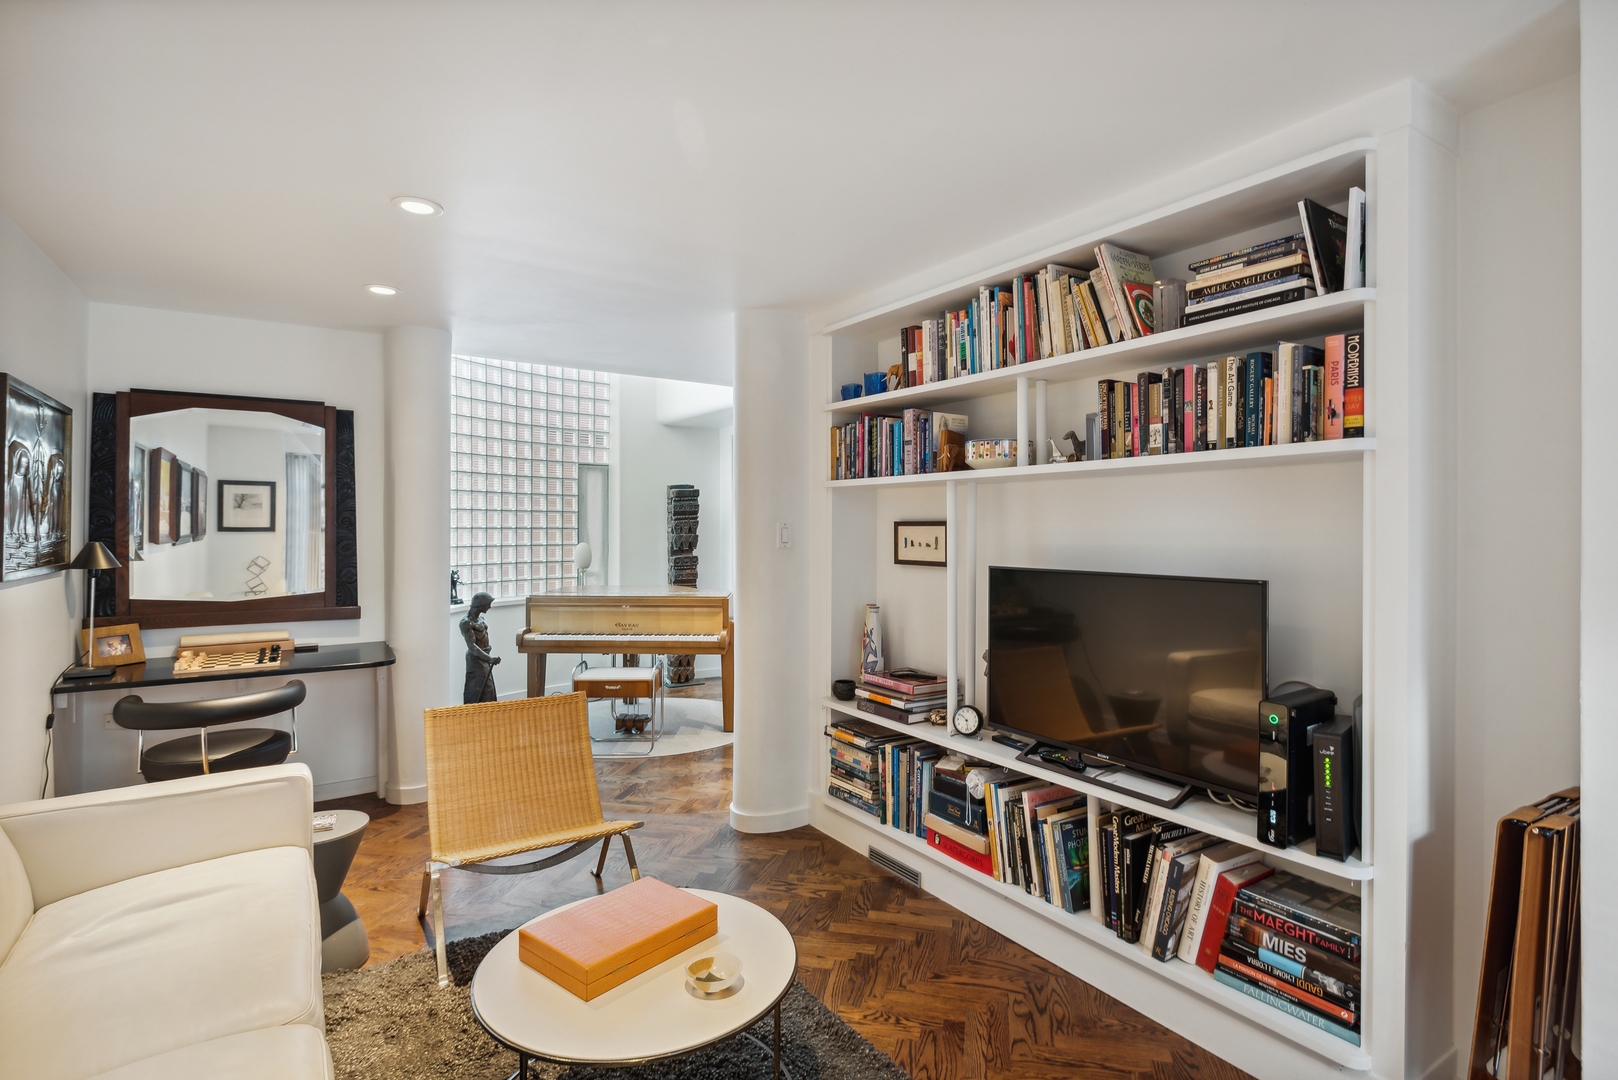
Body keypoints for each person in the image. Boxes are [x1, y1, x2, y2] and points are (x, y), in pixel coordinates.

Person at [461, 591, 500, 703]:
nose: (489, 607)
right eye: (488, 604)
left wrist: (488, 657)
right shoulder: (466, 622)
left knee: (489, 690)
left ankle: (489, 713)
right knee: (480, 690)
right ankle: (477, 713)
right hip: (476, 660)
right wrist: (489, 658)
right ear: (480, 605)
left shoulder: (481, 619)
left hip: (484, 657)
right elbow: (472, 646)